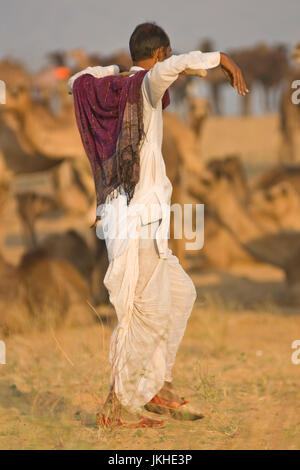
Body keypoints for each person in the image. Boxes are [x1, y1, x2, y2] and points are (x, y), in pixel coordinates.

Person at [68, 22, 248, 428]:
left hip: (139, 216)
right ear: (163, 53)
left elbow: (78, 78)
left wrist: (118, 73)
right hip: (136, 218)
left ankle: (158, 386)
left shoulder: (106, 88)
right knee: (144, 313)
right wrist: (220, 59)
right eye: (168, 57)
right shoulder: (146, 88)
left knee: (181, 293)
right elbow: (168, 71)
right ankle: (117, 407)